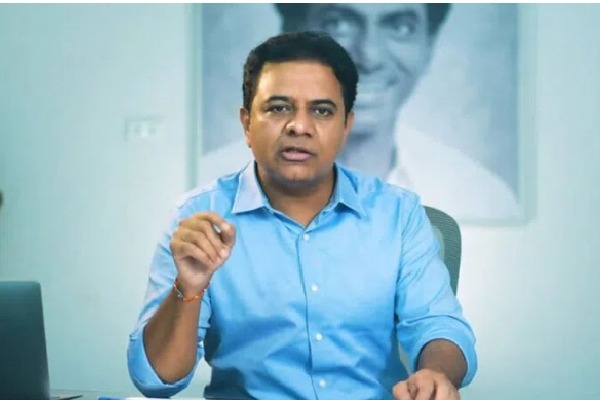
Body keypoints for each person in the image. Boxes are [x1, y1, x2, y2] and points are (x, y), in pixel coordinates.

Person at [129, 32, 477, 400]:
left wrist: (436, 373)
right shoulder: (198, 217)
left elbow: (437, 324)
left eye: (322, 111)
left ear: (346, 126)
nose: (299, 126)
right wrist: (188, 288)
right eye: (279, 108)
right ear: (247, 123)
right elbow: (155, 381)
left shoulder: (398, 214)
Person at [197, 3, 518, 221]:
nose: (369, 55)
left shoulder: (484, 195)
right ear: (290, 33)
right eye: (338, 23)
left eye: (400, 27)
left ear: (429, 45)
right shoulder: (205, 194)